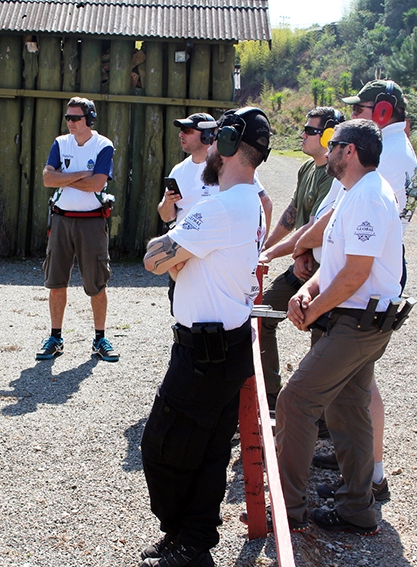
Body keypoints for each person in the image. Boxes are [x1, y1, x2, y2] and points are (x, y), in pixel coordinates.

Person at [138, 107, 271, 567]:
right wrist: (181, 254)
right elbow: (176, 256)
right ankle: (193, 541)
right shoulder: (251, 200)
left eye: (216, 138)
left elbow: (153, 260)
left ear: (231, 145)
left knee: (160, 446)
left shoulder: (219, 206)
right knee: (209, 451)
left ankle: (182, 535)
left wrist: (175, 252)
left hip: (204, 352)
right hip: (225, 345)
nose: (209, 147)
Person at [275, 119, 403, 536]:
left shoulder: (366, 196)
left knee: (296, 402)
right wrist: (304, 292)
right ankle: (357, 508)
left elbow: (355, 275)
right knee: (348, 410)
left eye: (334, 144)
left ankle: (289, 510)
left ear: (350, 152)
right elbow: (333, 267)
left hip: (356, 323)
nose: (327, 151)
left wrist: (310, 311)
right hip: (357, 320)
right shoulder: (356, 193)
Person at [309, 80, 417, 501]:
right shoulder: (397, 149)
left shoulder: (386, 154)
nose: (355, 116)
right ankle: (360, 467)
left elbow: (350, 215)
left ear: (383, 112)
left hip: (367, 266)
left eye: (363, 108)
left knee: (356, 381)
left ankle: (370, 473)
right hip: (372, 260)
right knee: (354, 380)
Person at [258, 107, 343, 409]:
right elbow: (292, 216)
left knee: (321, 341)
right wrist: (266, 248)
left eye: (310, 130)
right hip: (304, 263)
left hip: (323, 268)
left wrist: (293, 252)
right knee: (262, 315)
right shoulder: (307, 169)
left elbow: (316, 227)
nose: (303, 135)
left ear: (329, 134)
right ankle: (268, 396)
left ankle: (320, 415)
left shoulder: (333, 177)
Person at [160, 113, 273, 313]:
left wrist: (257, 248)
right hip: (183, 253)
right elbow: (166, 216)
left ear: (206, 136)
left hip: (217, 258)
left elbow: (264, 203)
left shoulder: (231, 170)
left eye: (187, 130)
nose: (181, 135)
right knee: (182, 313)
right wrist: (168, 204)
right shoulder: (179, 170)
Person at [36, 97, 119, 362]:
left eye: (76, 118)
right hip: (61, 220)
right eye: (68, 118)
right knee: (55, 281)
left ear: (90, 120)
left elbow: (97, 184)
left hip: (92, 221)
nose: (71, 122)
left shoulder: (103, 145)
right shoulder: (61, 143)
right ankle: (55, 337)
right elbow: (48, 178)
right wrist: (82, 174)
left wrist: (66, 177)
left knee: (96, 283)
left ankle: (100, 338)